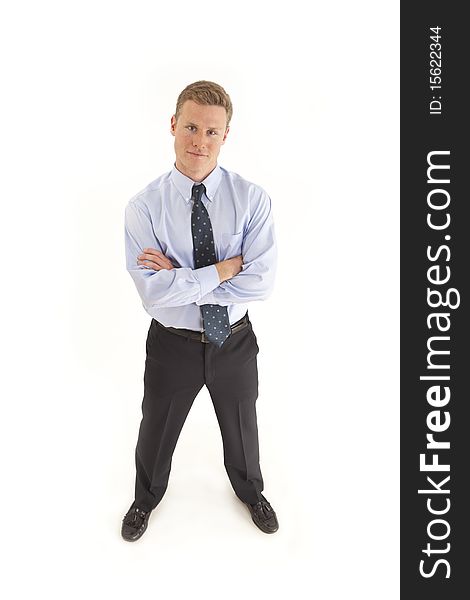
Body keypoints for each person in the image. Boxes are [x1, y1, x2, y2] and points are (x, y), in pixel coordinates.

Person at [121, 80, 278, 541]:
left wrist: (181, 278)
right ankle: (144, 499)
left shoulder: (252, 199)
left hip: (234, 339)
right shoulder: (144, 207)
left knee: (243, 424)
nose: (199, 141)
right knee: (156, 427)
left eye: (212, 132)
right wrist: (224, 269)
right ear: (173, 125)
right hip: (173, 344)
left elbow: (261, 283)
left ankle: (250, 491)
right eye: (191, 127)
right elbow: (153, 295)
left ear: (225, 135)